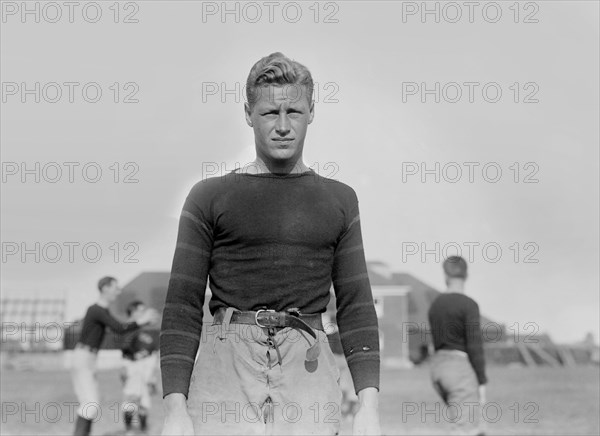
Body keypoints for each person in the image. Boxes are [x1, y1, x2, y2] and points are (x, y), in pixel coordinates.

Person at [160, 52, 381, 436]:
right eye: (268, 114)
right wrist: (175, 411)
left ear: (312, 111)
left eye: (293, 112)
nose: (282, 126)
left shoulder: (339, 200)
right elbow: (182, 303)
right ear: (248, 114)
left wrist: (369, 407)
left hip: (308, 361)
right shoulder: (208, 197)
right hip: (226, 363)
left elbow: (356, 305)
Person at [70, 277, 158, 436]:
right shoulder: (95, 309)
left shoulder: (102, 311)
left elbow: (121, 330)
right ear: (105, 288)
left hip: (88, 359)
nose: (118, 292)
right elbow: (119, 328)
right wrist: (141, 321)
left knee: (91, 404)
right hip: (83, 357)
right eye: (115, 288)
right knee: (90, 404)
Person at [427, 256, 487, 435]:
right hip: (458, 369)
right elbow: (475, 346)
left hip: (438, 370)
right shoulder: (469, 305)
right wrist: (482, 382)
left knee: (466, 423)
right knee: (465, 429)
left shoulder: (435, 305)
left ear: (445, 276)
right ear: (466, 275)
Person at [120, 301, 160, 434]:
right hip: (133, 366)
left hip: (145, 368)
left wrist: (152, 377)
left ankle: (143, 429)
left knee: (145, 400)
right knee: (132, 398)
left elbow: (152, 351)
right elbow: (125, 349)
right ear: (133, 312)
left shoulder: (143, 331)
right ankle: (129, 430)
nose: (145, 313)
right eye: (141, 311)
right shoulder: (127, 327)